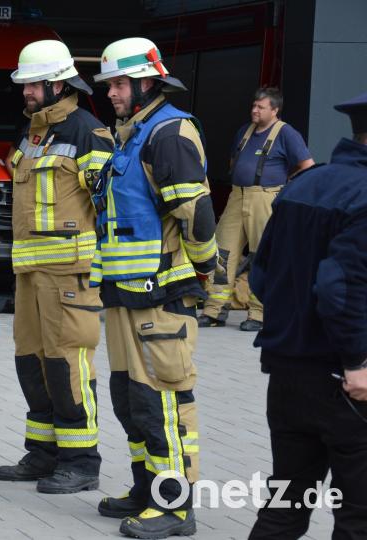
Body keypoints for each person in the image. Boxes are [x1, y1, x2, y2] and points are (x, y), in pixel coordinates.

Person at [91, 37, 218, 538]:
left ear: (148, 82)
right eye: (110, 84)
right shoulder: (132, 134)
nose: (112, 93)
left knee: (163, 399)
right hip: (126, 294)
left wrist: (203, 271)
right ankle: (148, 487)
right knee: (132, 399)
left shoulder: (169, 133)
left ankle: (174, 506)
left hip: (162, 295)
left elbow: (197, 214)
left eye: (120, 83)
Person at [0, 40, 114, 495]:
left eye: (32, 84)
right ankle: (43, 453)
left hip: (69, 275)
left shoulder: (88, 132)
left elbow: (109, 206)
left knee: (68, 366)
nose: (25, 91)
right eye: (23, 84)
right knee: (31, 362)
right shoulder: (32, 132)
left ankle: (81, 461)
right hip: (31, 274)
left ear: (58, 84)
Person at [246, 92, 367, 540]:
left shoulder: (303, 185)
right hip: (347, 383)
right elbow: (339, 287)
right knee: (358, 518)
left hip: (288, 376)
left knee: (285, 507)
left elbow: (261, 276)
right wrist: (357, 362)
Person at [199, 88, 314, 331]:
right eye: (254, 105)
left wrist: (285, 186)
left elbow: (308, 165)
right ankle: (214, 310)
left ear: (275, 110)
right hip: (237, 196)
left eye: (261, 107)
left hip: (264, 198)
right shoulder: (245, 131)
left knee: (262, 256)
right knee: (223, 253)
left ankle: (259, 314)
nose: (254, 110)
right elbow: (234, 161)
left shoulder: (286, 133)